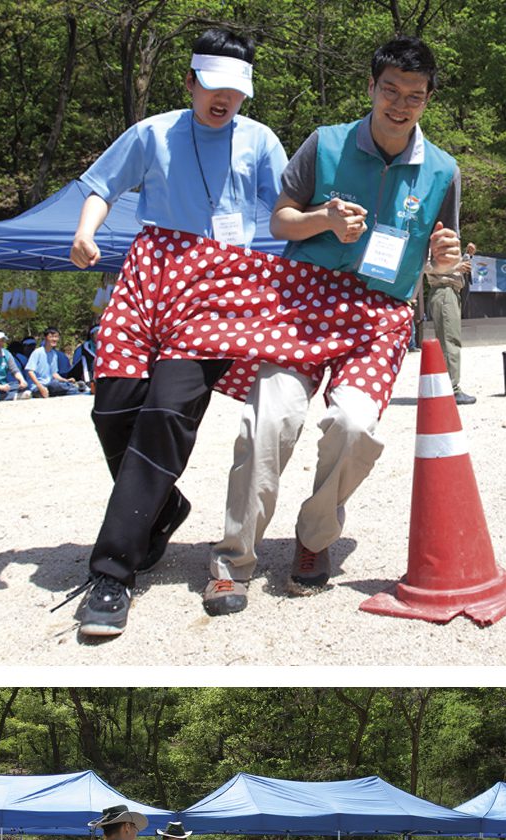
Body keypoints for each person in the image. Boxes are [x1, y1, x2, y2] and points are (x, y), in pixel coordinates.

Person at [202, 36, 462, 617]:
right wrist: (321, 218)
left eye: (413, 96)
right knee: (269, 419)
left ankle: (315, 538)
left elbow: (440, 259)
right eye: (389, 90)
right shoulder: (325, 144)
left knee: (354, 426)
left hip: (378, 315)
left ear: (427, 100)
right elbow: (280, 221)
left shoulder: (443, 171)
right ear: (371, 87)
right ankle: (232, 559)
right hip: (301, 302)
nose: (400, 104)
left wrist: (444, 264)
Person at [67, 27, 288, 637]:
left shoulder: (260, 140)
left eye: (236, 92)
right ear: (190, 81)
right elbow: (99, 185)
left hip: (222, 287)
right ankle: (163, 504)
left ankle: (114, 571)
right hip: (151, 273)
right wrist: (87, 231)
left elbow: (289, 210)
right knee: (112, 407)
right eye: (213, 88)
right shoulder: (153, 133)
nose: (224, 101)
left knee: (166, 412)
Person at [425, 241, 476, 403]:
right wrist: (456, 267)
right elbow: (425, 266)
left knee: (451, 339)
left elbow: (457, 267)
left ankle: (448, 386)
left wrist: (468, 255)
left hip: (452, 292)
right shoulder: (430, 242)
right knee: (449, 341)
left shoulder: (448, 242)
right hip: (444, 290)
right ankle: (451, 389)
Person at [25, 328, 86, 397]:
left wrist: (65, 380)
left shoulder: (53, 354)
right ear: (45, 338)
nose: (54, 339)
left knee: (69, 390)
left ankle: (78, 388)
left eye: (56, 337)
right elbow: (30, 371)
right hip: (38, 386)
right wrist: (40, 386)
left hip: (50, 385)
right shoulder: (37, 352)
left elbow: (54, 373)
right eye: (51, 337)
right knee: (56, 385)